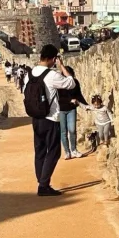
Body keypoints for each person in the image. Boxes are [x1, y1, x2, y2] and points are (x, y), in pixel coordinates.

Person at [25, 44, 76, 195]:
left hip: (36, 118)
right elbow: (71, 83)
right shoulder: (52, 75)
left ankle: (41, 180)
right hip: (51, 119)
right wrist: (62, 66)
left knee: (39, 151)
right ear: (53, 59)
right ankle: (43, 185)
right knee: (53, 152)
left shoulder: (30, 73)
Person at [58, 65, 90, 160]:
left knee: (72, 130)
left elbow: (79, 95)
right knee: (63, 132)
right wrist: (69, 100)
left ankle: (74, 150)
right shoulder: (59, 84)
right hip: (61, 110)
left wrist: (86, 105)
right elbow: (58, 98)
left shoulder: (75, 83)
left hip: (72, 109)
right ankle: (67, 152)